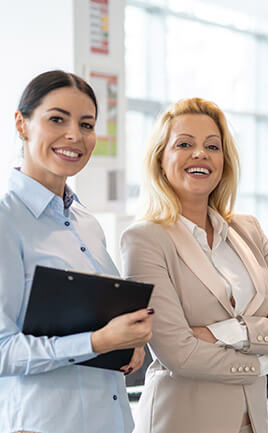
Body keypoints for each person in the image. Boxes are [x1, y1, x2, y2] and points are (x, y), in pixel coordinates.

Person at [121, 97, 268, 433]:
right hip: (181, 421)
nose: (201, 154)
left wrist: (226, 333)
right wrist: (264, 357)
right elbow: (178, 354)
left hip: (253, 422)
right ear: (160, 159)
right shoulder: (145, 239)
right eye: (184, 144)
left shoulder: (248, 229)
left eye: (213, 146)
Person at [0, 70, 153, 433]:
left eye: (86, 124)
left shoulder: (85, 220)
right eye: (57, 119)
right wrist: (99, 342)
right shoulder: (6, 221)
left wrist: (128, 345)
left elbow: (100, 317)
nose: (74, 135)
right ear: (21, 123)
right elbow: (3, 350)